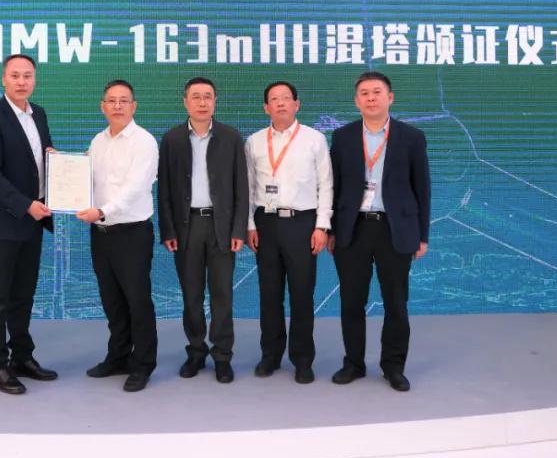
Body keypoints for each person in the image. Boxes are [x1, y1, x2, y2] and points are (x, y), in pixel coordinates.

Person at [329, 71, 430, 392]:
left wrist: (422, 235)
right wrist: (331, 229)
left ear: (390, 97)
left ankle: (393, 367)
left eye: (377, 92)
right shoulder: (342, 137)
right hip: (352, 229)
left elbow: (422, 189)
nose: (371, 98)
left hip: (394, 229)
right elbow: (334, 187)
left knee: (396, 303)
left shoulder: (412, 137)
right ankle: (353, 363)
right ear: (356, 100)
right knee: (351, 302)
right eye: (364, 93)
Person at [0, 53, 58, 395]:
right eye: (15, 75)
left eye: (28, 76)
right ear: (4, 79)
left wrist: (60, 167)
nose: (22, 82)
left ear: (34, 79)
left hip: (35, 222)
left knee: (24, 295)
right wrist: (25, 206)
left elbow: (42, 159)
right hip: (5, 222)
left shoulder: (40, 114)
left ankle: (23, 357)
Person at [158, 77, 248, 383]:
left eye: (207, 96)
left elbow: (241, 187)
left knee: (222, 294)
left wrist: (239, 229)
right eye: (195, 96)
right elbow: (165, 190)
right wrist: (168, 230)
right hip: (186, 227)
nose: (202, 102)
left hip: (221, 227)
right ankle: (196, 352)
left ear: (215, 101)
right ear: (185, 102)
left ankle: (222, 356)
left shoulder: (231, 137)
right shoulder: (172, 139)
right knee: (192, 294)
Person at [245, 81, 332, 384]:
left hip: (302, 223)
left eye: (286, 98)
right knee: (269, 294)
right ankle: (270, 355)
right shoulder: (254, 142)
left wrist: (322, 226)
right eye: (274, 99)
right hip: (265, 223)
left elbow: (326, 184)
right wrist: (250, 224)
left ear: (297, 104)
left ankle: (303, 359)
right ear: (266, 107)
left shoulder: (314, 139)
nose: (280, 103)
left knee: (301, 294)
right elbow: (248, 186)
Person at [75, 80, 159, 393]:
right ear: (103, 106)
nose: (118, 106)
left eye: (124, 100)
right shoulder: (98, 141)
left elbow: (136, 187)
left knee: (137, 300)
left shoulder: (144, 142)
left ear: (134, 106)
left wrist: (102, 210)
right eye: (112, 100)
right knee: (112, 300)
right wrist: (60, 165)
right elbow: (84, 176)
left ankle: (143, 364)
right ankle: (118, 357)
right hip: (102, 233)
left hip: (132, 232)